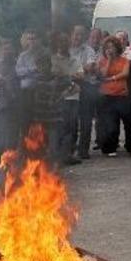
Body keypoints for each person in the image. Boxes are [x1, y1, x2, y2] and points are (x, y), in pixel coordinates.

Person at [51, 30, 83, 165]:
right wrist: (69, 76)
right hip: (58, 98)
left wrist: (64, 76)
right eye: (61, 42)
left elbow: (81, 75)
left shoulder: (74, 59)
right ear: (57, 43)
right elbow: (53, 76)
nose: (63, 44)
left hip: (73, 97)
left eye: (66, 41)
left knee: (72, 127)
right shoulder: (52, 59)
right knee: (59, 127)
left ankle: (68, 154)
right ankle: (57, 155)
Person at [97, 36, 130, 157]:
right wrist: (109, 60)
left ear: (117, 48)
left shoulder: (124, 60)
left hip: (121, 94)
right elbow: (102, 74)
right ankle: (110, 147)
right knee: (111, 123)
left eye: (112, 47)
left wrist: (112, 78)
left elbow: (125, 73)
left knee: (126, 122)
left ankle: (129, 145)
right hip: (107, 95)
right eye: (107, 47)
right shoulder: (102, 61)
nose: (110, 49)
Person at [70, 25, 99, 160]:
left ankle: (83, 150)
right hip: (69, 88)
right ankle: (69, 150)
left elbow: (91, 67)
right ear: (71, 34)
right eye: (76, 34)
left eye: (81, 34)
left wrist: (72, 71)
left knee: (86, 121)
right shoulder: (65, 49)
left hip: (86, 87)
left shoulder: (89, 50)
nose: (78, 37)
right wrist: (79, 71)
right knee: (71, 120)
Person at [0, 38, 20, 149]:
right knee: (2, 130)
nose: (8, 51)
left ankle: (14, 154)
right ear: (0, 50)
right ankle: (2, 156)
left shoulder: (18, 63)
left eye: (10, 49)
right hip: (0, 104)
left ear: (14, 50)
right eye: (5, 49)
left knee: (15, 130)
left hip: (17, 102)